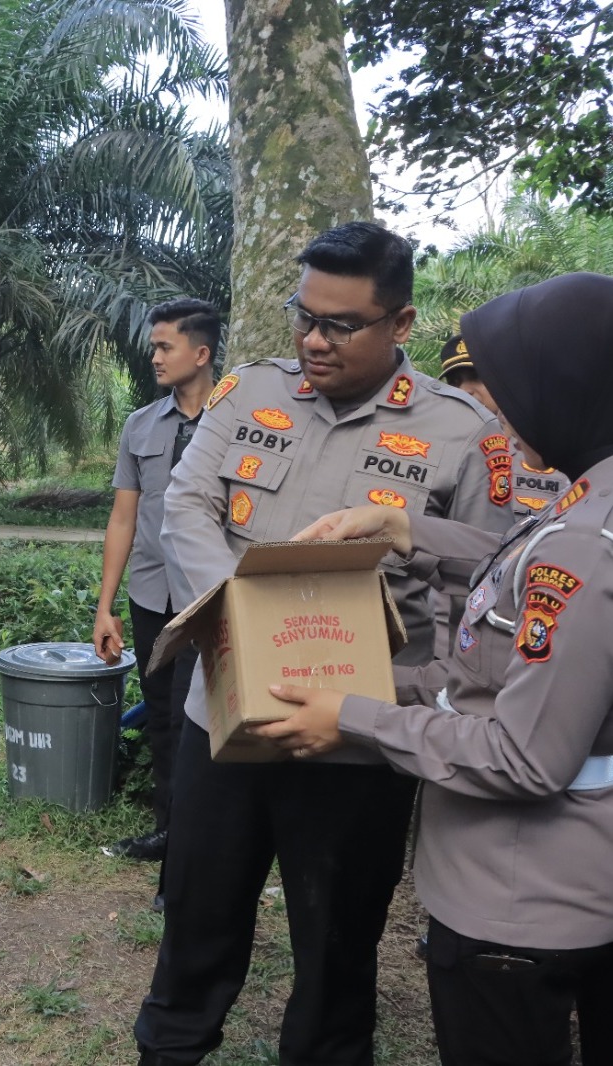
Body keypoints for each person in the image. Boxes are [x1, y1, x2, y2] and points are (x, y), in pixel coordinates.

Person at [134, 221, 517, 1066]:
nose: (313, 340)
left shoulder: (462, 433)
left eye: (341, 324)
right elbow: (188, 504)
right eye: (303, 316)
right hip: (224, 717)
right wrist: (238, 615)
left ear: (402, 324)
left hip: (356, 740)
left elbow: (485, 582)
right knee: (196, 928)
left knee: (337, 953)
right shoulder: (248, 392)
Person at [255, 271, 613, 1066]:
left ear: (571, 387)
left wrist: (352, 718)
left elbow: (524, 755)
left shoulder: (586, 542)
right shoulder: (586, 502)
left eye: (511, 387)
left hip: (520, 906)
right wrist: (403, 529)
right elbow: (514, 572)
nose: (495, 409)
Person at [92, 298, 218, 905]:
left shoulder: (242, 422)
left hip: (212, 597)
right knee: (162, 715)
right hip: (150, 591)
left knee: (200, 719)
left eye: (166, 346)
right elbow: (123, 518)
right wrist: (105, 605)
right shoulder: (141, 425)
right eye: (154, 347)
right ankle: (169, 831)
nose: (155, 357)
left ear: (201, 352)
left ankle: (197, 849)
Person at [439, 333, 569, 516]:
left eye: (476, 376)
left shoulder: (547, 453)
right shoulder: (441, 450)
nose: (464, 390)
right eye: (454, 382)